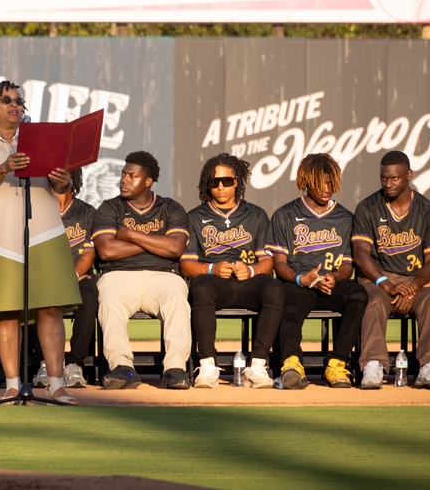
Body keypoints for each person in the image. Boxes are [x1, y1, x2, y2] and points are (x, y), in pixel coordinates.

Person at [0, 80, 81, 404]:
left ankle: (56, 384)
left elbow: (60, 187)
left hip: (44, 231)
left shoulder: (38, 139)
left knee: (51, 308)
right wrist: (3, 167)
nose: (14, 105)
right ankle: (12, 385)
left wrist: (63, 180)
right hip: (0, 238)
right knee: (7, 312)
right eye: (6, 100)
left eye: (18, 101)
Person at [180, 154, 282, 389]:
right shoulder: (195, 217)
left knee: (275, 288)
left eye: (226, 181)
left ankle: (257, 366)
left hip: (247, 282)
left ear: (237, 182)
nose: (220, 187)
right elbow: (186, 264)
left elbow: (268, 262)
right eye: (214, 182)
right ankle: (206, 365)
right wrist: (211, 268)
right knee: (201, 286)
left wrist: (253, 270)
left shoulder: (256, 215)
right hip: (215, 283)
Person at [266, 153, 367, 389]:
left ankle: (337, 364)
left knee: (358, 295)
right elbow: (279, 264)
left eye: (331, 182)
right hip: (299, 283)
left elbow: (347, 266)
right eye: (320, 182)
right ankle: (291, 364)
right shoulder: (285, 215)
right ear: (305, 181)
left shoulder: (345, 218)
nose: (326, 188)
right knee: (286, 301)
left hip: (331, 285)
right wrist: (302, 278)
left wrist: (335, 276)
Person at [93, 150, 192, 390]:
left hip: (163, 277)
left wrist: (131, 235)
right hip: (118, 275)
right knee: (109, 301)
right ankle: (122, 368)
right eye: (123, 174)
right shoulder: (109, 208)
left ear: (148, 181)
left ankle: (175, 369)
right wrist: (155, 240)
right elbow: (107, 251)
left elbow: (175, 248)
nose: (124, 180)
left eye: (131, 176)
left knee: (177, 299)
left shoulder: (171, 208)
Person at [352, 150, 430, 390]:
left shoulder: (428, 210)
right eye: (384, 178)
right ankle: (373, 364)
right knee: (373, 301)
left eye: (394, 178)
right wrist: (388, 285)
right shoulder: (368, 207)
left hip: (416, 280)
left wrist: (412, 288)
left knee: (429, 302)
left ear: (409, 175)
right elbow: (361, 254)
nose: (388, 183)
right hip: (378, 279)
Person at [34, 168, 98, 389]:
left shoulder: (87, 212)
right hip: (44, 276)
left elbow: (90, 251)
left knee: (89, 293)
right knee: (34, 292)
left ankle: (74, 363)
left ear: (74, 178)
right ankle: (45, 361)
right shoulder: (38, 209)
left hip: (76, 277)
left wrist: (73, 275)